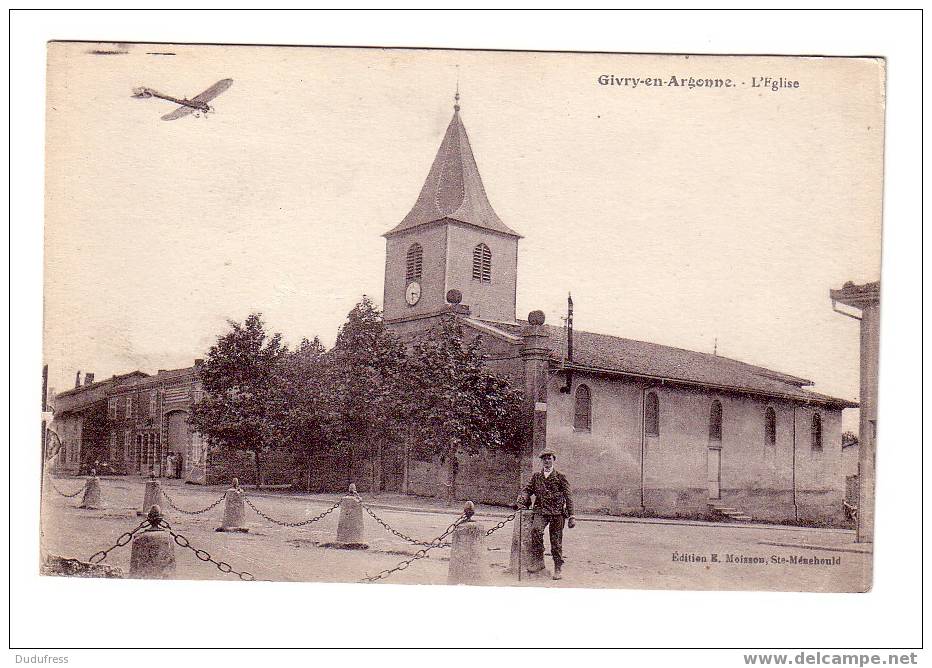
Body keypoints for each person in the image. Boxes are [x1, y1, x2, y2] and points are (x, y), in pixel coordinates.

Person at [515, 448, 576, 580]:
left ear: (553, 460)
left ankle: (558, 568)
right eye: (544, 459)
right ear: (542, 461)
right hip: (541, 511)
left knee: (556, 541)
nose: (547, 461)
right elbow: (527, 490)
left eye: (549, 458)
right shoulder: (536, 477)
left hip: (557, 513)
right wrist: (522, 499)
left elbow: (568, 496)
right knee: (535, 531)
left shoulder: (560, 476)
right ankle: (539, 562)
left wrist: (572, 516)